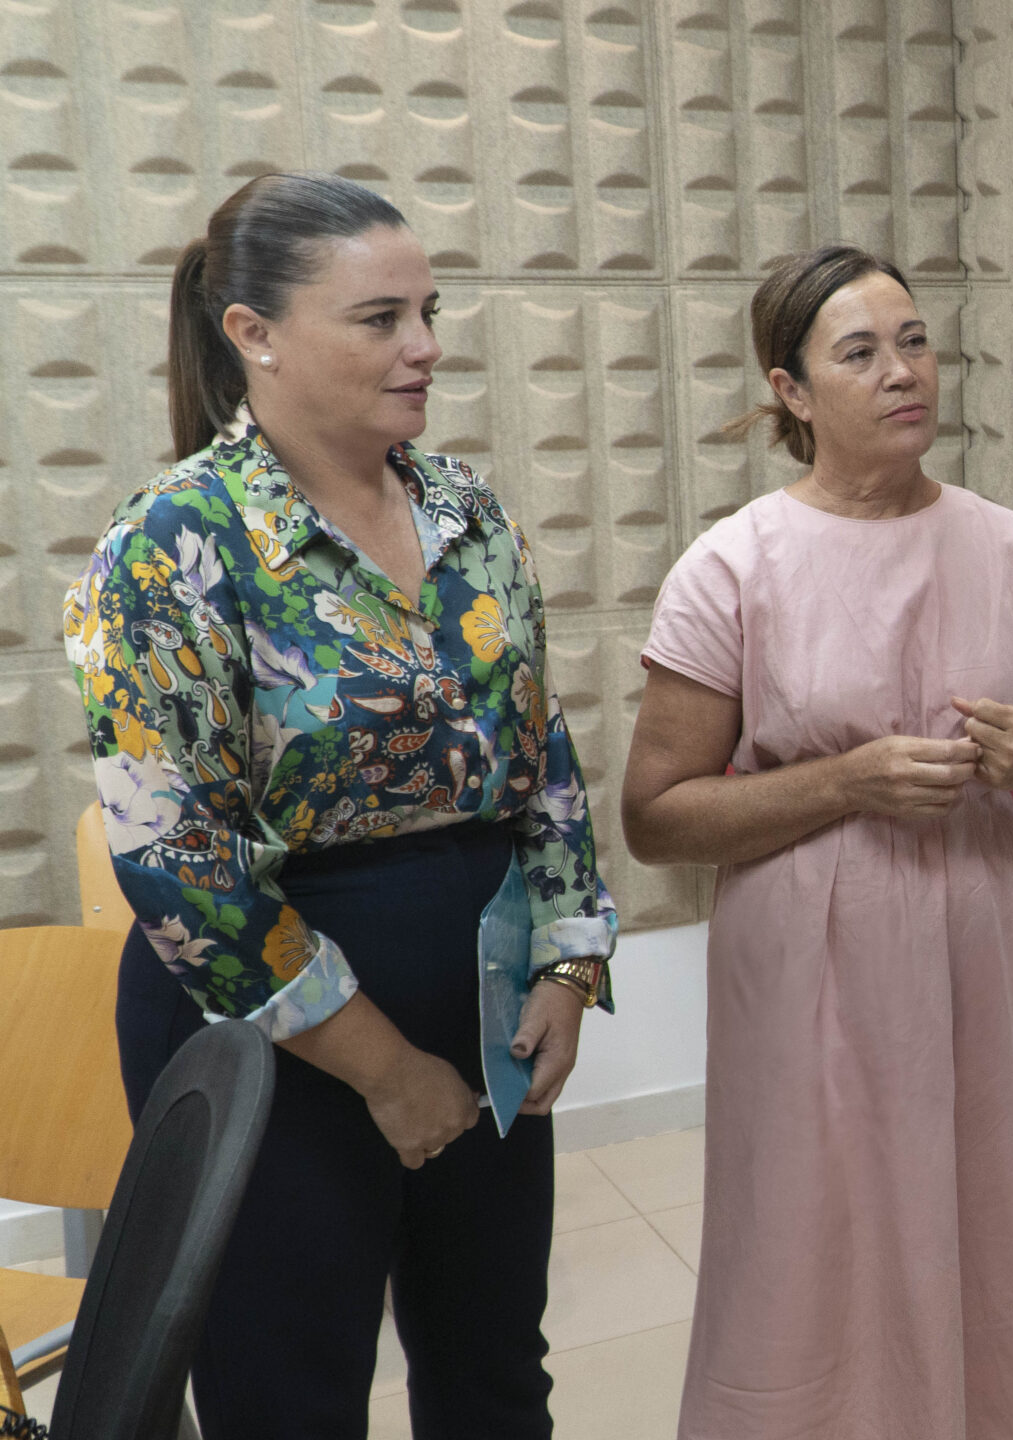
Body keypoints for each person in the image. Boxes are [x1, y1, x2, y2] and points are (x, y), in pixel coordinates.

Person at [62, 171, 618, 1439]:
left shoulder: (468, 514)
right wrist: (385, 1071)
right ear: (253, 332)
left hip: (483, 995)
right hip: (273, 1032)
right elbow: (181, 863)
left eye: (427, 309)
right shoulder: (171, 546)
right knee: (287, 1394)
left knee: (493, 1371)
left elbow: (542, 752)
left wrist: (569, 963)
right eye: (380, 318)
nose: (425, 345)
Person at [620, 244, 1013, 1440]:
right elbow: (653, 816)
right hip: (810, 960)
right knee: (812, 1227)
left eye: (914, 341)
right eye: (859, 352)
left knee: (992, 1205)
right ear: (790, 391)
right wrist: (847, 780)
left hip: (983, 944)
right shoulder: (732, 567)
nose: (903, 373)